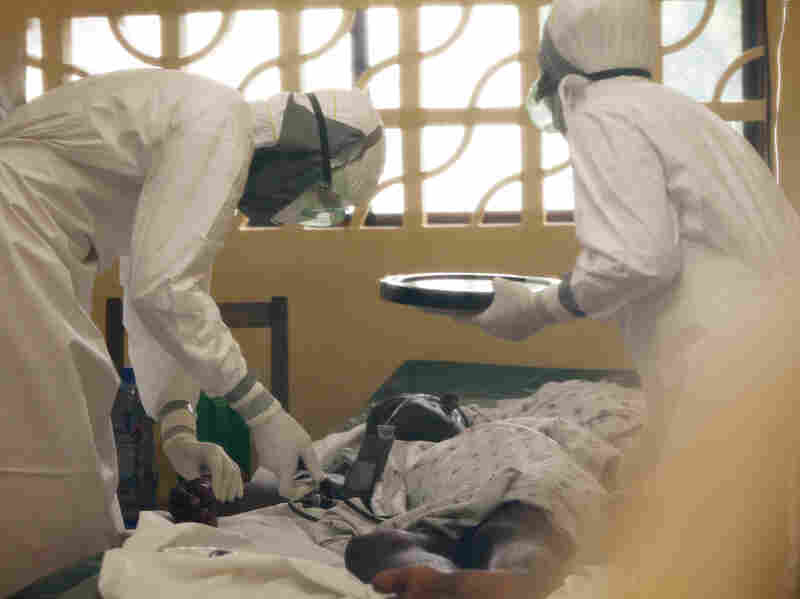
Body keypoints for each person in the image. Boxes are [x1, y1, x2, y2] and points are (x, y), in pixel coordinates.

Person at [0, 68, 385, 596]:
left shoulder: (208, 142)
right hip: (15, 231)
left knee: (76, 451)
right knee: (54, 482)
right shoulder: (220, 123)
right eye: (315, 201)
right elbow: (166, 290)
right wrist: (261, 411)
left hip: (33, 242)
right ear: (302, 155)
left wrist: (178, 427)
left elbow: (151, 292)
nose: (296, 217)